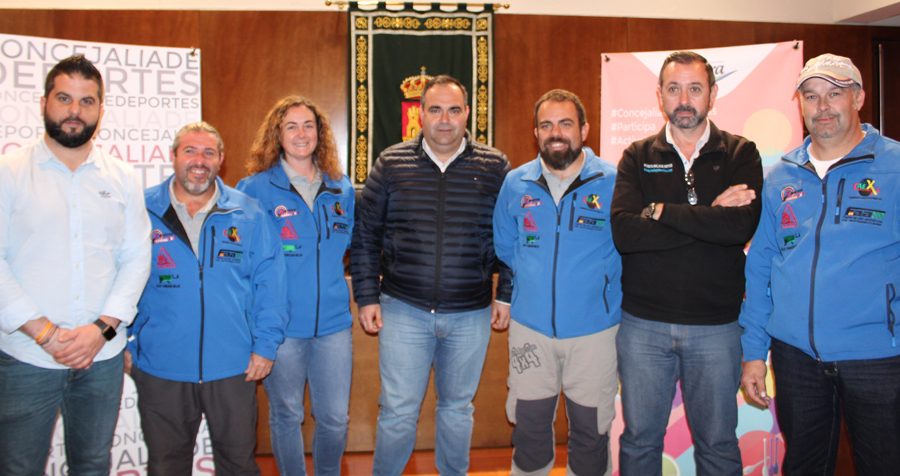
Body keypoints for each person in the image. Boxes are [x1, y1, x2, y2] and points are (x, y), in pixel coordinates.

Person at [740, 53, 900, 475]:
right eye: (811, 96)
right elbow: (761, 267)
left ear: (858, 98)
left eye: (834, 94)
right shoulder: (782, 175)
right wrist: (753, 352)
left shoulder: (895, 166)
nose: (822, 106)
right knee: (804, 467)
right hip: (796, 358)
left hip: (878, 358)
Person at [610, 51, 763, 476]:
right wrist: (711, 215)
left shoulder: (740, 153)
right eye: (673, 89)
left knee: (718, 445)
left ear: (712, 95)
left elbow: (739, 227)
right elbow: (626, 234)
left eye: (695, 88)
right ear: (659, 95)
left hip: (717, 327)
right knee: (640, 442)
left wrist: (660, 211)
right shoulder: (636, 155)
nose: (683, 99)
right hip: (643, 326)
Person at [351, 75, 512, 476]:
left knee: (457, 409)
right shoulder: (391, 163)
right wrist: (367, 297)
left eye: (454, 110)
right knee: (397, 409)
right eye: (435, 109)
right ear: (419, 113)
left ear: (467, 114)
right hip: (403, 309)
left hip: (470, 312)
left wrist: (505, 294)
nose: (444, 119)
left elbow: (512, 237)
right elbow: (366, 235)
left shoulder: (495, 166)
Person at [0, 55, 152, 475]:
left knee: (92, 466)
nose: (74, 111)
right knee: (17, 467)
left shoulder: (122, 177)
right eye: (64, 98)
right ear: (44, 102)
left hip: (101, 356)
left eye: (86, 102)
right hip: (26, 356)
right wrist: (44, 333)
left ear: (100, 110)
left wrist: (102, 329)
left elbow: (136, 257)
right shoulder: (8, 172)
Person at [125, 122, 288, 476]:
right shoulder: (140, 209)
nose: (199, 161)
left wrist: (265, 346)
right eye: (190, 151)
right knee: (166, 467)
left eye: (208, 153)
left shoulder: (248, 212)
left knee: (238, 465)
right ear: (172, 156)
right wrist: (124, 340)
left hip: (233, 366)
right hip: (161, 366)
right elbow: (117, 277)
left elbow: (271, 285)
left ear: (221, 160)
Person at [493, 89, 621, 476]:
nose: (556, 133)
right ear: (536, 133)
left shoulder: (613, 182)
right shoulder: (516, 182)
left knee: (591, 432)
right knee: (528, 431)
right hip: (530, 331)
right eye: (547, 125)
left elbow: (630, 249)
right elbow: (505, 245)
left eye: (566, 124)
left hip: (595, 332)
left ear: (584, 129)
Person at [237, 96, 354, 476]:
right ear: (278, 134)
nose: (301, 134)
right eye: (291, 126)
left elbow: (350, 248)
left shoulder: (341, 187)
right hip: (281, 328)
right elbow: (242, 261)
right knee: (287, 415)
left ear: (320, 133)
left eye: (308, 126)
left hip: (334, 325)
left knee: (335, 418)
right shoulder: (253, 189)